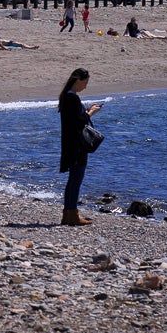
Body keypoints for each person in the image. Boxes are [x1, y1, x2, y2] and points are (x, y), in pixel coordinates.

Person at [58, 67, 102, 226]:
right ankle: (72, 214)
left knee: (73, 179)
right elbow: (79, 121)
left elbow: (74, 119)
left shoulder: (67, 96)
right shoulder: (72, 97)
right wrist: (91, 113)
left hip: (71, 143)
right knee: (76, 179)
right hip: (77, 145)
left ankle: (69, 214)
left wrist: (88, 111)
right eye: (85, 82)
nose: (85, 86)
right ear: (78, 80)